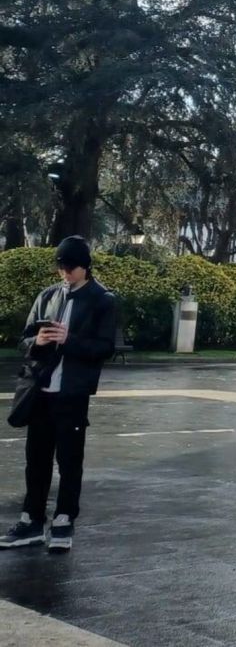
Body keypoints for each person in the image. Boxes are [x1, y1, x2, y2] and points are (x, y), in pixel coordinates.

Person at [1, 236, 118, 553]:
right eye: (61, 267)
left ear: (86, 267)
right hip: (41, 392)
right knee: (35, 460)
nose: (65, 273)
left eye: (71, 267)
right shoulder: (47, 296)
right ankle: (31, 521)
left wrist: (69, 340)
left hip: (72, 395)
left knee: (69, 461)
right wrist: (36, 342)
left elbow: (106, 348)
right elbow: (23, 342)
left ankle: (64, 520)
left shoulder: (102, 300)